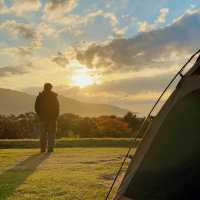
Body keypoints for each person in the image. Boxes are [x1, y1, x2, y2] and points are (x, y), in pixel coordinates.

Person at [35, 83, 59, 153]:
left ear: (44, 87)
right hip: (52, 119)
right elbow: (57, 108)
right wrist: (55, 117)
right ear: (51, 88)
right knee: (51, 134)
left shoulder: (40, 96)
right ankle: (50, 149)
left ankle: (42, 149)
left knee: (42, 134)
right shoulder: (54, 96)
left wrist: (40, 115)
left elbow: (36, 107)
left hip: (43, 118)